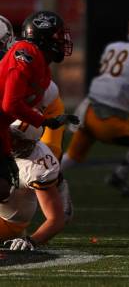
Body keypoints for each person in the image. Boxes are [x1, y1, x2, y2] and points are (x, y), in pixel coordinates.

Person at [61, 13, 129, 196]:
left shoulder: (114, 47)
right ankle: (120, 175)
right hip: (105, 117)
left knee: (72, 157)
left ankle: (33, 182)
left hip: (86, 110)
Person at [0, 11, 75, 203]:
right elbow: (9, 106)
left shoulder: (33, 65)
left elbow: (7, 111)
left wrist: (7, 152)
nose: (61, 42)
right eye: (57, 37)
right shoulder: (24, 57)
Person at [0, 120, 70, 251]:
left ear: (28, 143)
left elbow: (56, 219)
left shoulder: (38, 166)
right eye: (9, 134)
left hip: (7, 221)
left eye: (15, 138)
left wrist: (32, 240)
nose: (9, 140)